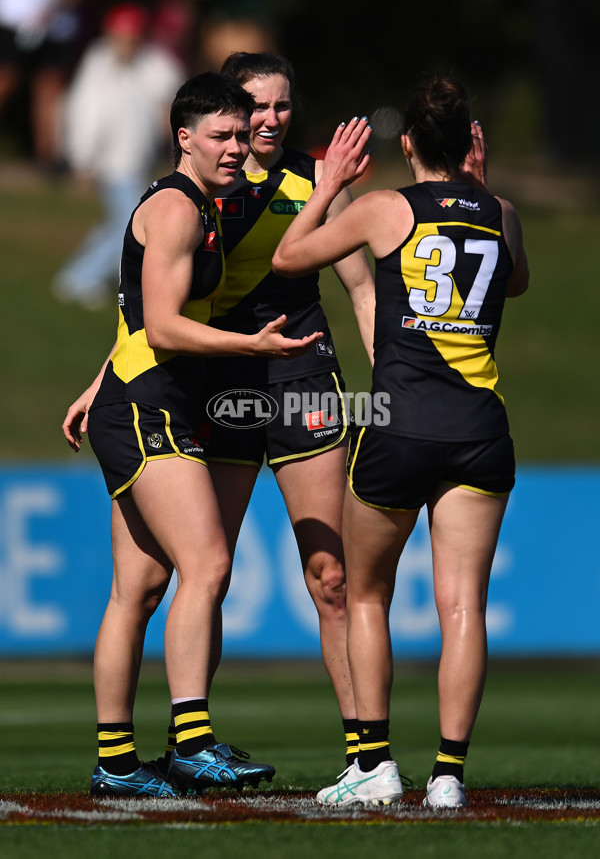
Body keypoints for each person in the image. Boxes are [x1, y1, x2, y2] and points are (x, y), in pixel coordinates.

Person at [62, 71, 324, 797]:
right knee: (207, 565)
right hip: (150, 411)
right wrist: (253, 349)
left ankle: (116, 763)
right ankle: (191, 744)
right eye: (222, 135)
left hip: (137, 398)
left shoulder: (201, 204)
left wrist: (95, 384)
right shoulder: (179, 209)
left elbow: (133, 315)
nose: (238, 146)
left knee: (139, 590)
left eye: (243, 134)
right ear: (185, 137)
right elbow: (162, 324)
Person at [272, 76, 529, 808]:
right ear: (471, 143)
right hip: (480, 431)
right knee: (463, 608)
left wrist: (326, 187)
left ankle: (376, 765)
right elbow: (515, 283)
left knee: (366, 598)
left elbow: (290, 258)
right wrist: (482, 190)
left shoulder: (386, 209)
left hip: (398, 425)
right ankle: (448, 775)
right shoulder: (502, 213)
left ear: (408, 143)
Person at [203, 51, 375, 769]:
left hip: (305, 378)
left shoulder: (315, 179)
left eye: (281, 106)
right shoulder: (202, 183)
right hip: (222, 382)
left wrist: (397, 376)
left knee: (332, 576)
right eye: (255, 107)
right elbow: (151, 294)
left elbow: (361, 288)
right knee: (207, 568)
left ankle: (367, 753)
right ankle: (193, 740)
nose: (269, 120)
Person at [52, 2, 184, 310]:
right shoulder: (98, 63)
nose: (127, 43)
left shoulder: (152, 62)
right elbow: (86, 113)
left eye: (133, 36)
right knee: (131, 223)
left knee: (118, 222)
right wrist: (82, 157)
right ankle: (82, 277)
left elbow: (173, 94)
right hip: (111, 162)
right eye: (121, 36)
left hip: (139, 160)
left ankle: (80, 275)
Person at [0, 0, 110, 170]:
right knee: (5, 80)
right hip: (11, 16)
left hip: (58, 26)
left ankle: (48, 157)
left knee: (50, 88)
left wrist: (52, 9)